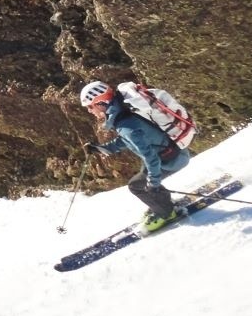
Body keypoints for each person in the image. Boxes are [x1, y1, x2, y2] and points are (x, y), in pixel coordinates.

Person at [80, 80, 190, 231]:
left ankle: (166, 213)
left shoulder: (126, 125)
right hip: (170, 152)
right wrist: (102, 149)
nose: (89, 111)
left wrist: (154, 184)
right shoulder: (123, 113)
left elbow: (151, 158)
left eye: (90, 106)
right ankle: (164, 204)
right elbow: (127, 140)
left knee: (137, 186)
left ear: (100, 103)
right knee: (145, 181)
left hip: (170, 159)